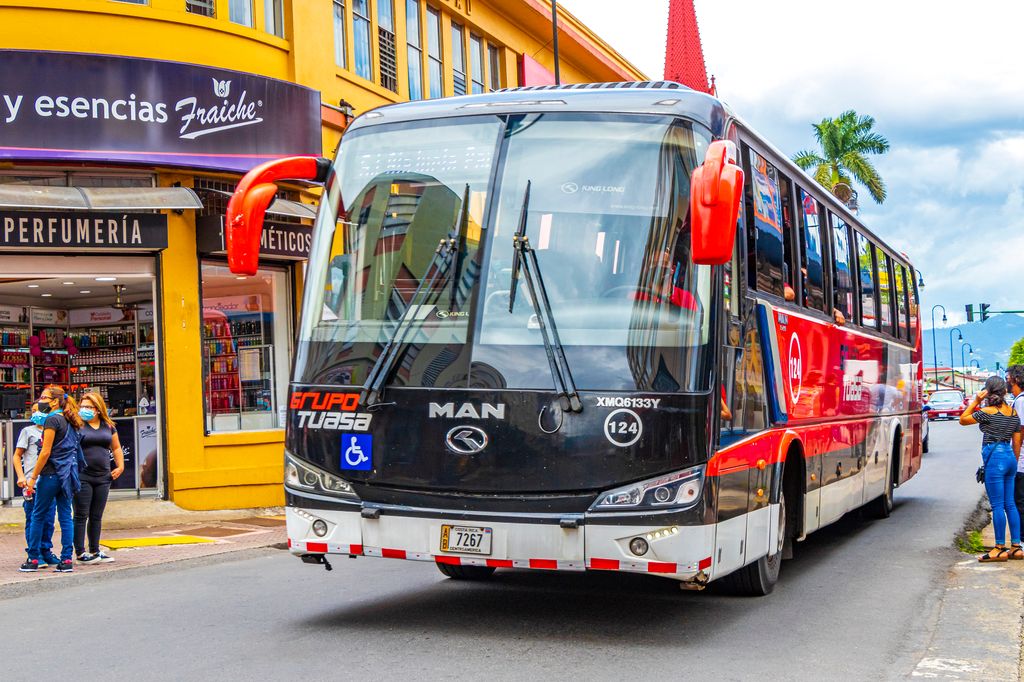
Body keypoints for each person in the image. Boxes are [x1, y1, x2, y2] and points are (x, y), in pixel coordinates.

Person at [959, 376, 1022, 562]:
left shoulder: (986, 411)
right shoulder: (1013, 413)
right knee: (1010, 504)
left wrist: (976, 401)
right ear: (1004, 391)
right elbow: (1017, 443)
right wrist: (1012, 463)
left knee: (997, 506)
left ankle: (999, 548)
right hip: (1010, 457)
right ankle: (1016, 547)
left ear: (988, 391)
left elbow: (963, 419)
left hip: (995, 458)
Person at [21, 385, 84, 573]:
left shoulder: (52, 420)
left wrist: (33, 478)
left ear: (55, 401)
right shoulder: (70, 420)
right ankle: (66, 560)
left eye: (43, 397)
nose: (40, 401)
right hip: (67, 475)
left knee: (37, 515)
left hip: (50, 474)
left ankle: (33, 558)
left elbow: (45, 452)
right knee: (66, 516)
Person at [74, 392, 124, 564]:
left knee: (96, 515)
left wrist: (120, 466)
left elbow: (116, 448)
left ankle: (95, 550)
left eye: (88, 407)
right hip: (83, 476)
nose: (84, 410)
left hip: (103, 476)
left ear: (97, 409)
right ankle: (80, 553)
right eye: (82, 406)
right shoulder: (77, 425)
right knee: (81, 514)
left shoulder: (108, 426)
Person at [13, 416, 56, 568]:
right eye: (34, 410)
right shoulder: (27, 431)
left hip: (49, 482)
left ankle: (46, 550)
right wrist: (21, 476)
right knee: (33, 519)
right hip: (31, 484)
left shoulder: (54, 431)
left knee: (49, 520)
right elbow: (17, 456)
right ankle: (34, 553)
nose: (38, 414)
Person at [1007, 365, 1024, 527]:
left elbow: (1019, 435)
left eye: (1008, 379)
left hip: (1021, 463)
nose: (1007, 383)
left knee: (1019, 502)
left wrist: (1014, 462)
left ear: (1017, 379)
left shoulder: (1021, 401)